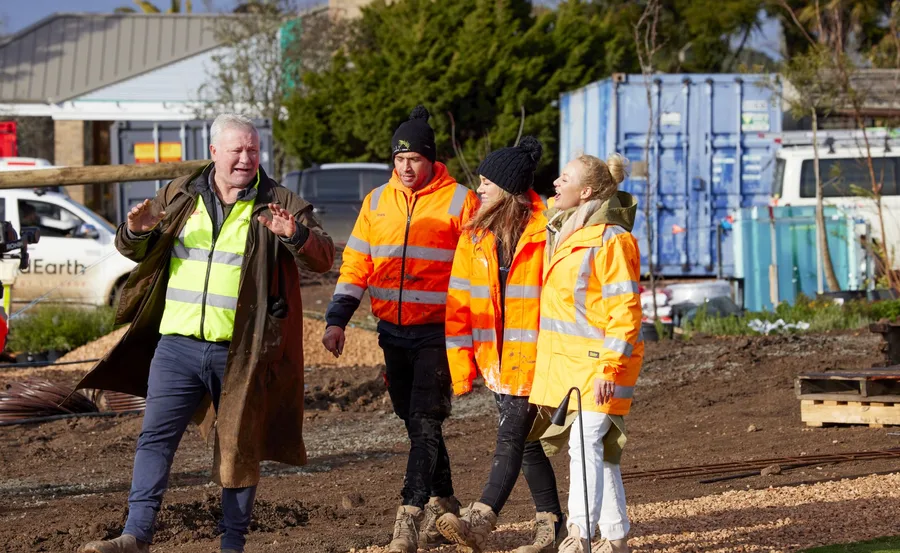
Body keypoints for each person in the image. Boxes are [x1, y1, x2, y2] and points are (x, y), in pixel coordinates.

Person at [76, 113, 335, 553]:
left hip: (240, 352)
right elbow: (129, 246)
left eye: (252, 150)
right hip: (175, 346)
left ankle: (231, 545)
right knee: (155, 438)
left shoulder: (280, 202)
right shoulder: (178, 195)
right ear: (214, 152)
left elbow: (324, 257)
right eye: (236, 149)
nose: (245, 158)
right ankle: (136, 535)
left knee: (238, 447)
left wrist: (295, 234)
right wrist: (135, 231)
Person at [322, 105, 478, 553]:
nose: (406, 167)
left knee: (426, 419)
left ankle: (408, 520)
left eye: (415, 159)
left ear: (431, 160)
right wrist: (336, 320)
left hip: (438, 333)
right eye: (399, 158)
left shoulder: (460, 201)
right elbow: (356, 265)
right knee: (414, 421)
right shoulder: (375, 202)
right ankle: (446, 503)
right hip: (391, 330)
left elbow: (477, 269)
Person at [437, 137, 566, 553]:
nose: (479, 189)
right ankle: (552, 525)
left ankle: (480, 519)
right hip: (496, 360)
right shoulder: (475, 236)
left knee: (511, 438)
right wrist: (462, 369)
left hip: (535, 359)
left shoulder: (549, 230)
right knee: (527, 444)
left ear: (508, 189)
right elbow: (458, 304)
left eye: (486, 182)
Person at [528, 154, 643, 553]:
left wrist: (610, 367)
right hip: (574, 368)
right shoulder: (568, 232)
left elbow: (625, 311)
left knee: (584, 444)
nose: (555, 184)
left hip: (601, 367)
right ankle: (615, 536)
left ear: (587, 192)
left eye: (565, 178)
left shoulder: (610, 239)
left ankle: (580, 534)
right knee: (601, 450)